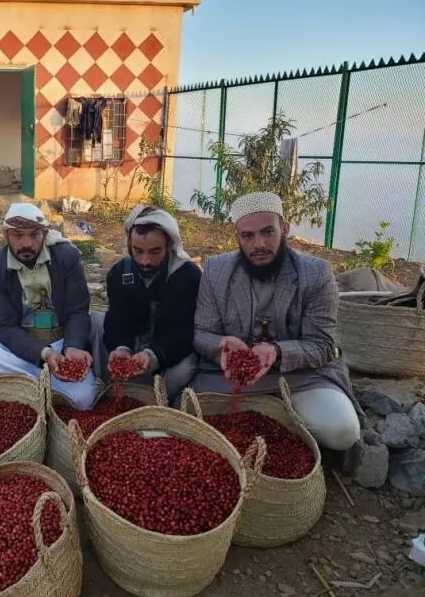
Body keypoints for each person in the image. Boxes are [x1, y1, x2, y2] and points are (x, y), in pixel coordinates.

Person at [193, 191, 361, 451]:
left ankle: (282, 414)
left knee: (342, 432)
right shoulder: (216, 270)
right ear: (237, 237)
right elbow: (201, 333)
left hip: (301, 375)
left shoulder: (316, 273)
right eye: (248, 236)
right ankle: (280, 419)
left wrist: (277, 352)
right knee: (183, 414)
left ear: (284, 229)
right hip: (231, 378)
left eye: (268, 232)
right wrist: (221, 345)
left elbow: (322, 345)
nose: (258, 244)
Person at [0, 203, 100, 409]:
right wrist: (44, 354)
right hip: (21, 345)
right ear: (6, 236)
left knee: (83, 399)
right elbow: (4, 326)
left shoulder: (67, 258)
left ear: (44, 233)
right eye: (18, 235)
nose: (26, 243)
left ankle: (28, 385)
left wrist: (72, 347)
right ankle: (44, 381)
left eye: (34, 235)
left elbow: (77, 311)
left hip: (60, 342)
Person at [103, 205, 201, 402]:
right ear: (129, 245)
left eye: (155, 251)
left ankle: (162, 400)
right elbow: (117, 318)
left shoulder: (188, 276)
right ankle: (112, 389)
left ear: (169, 245)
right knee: (95, 323)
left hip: (167, 350)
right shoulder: (120, 273)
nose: (145, 260)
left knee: (185, 370)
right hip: (134, 344)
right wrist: (121, 348)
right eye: (138, 251)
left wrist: (154, 356)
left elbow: (184, 331)